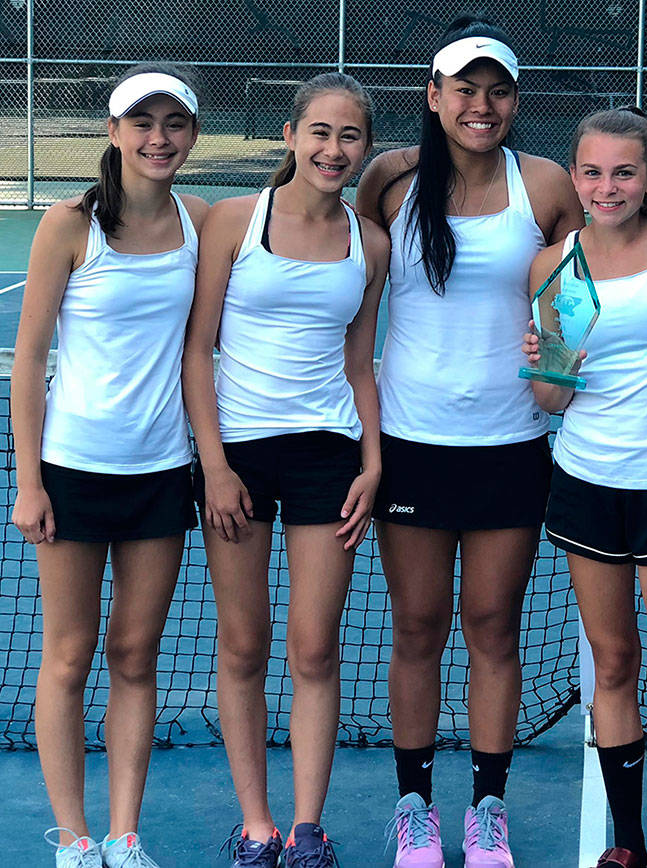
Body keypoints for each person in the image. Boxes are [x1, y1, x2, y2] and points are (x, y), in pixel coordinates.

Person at [352, 15, 585, 868]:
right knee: (417, 627)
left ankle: (488, 812)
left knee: (493, 627)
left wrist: (558, 371)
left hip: (512, 445)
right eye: (465, 89)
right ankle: (414, 810)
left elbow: (573, 298)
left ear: (514, 101)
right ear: (434, 96)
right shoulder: (389, 179)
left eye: (497, 91)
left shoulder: (549, 185)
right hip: (411, 444)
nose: (481, 105)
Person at [181, 72, 387, 868]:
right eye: (321, 133)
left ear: (364, 147)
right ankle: (257, 827)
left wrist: (372, 465)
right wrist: (215, 464)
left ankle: (307, 829)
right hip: (237, 460)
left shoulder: (370, 244)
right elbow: (198, 351)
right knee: (242, 645)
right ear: (292, 135)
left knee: (315, 649)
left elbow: (360, 365)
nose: (334, 150)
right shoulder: (234, 222)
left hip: (328, 460)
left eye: (351, 137)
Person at [10, 63, 204, 868]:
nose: (158, 138)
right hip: (74, 471)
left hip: (162, 473)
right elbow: (26, 363)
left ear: (191, 134)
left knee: (135, 656)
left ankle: (124, 837)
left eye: (175, 124)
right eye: (142, 122)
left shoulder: (200, 220)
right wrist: (28, 483)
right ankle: (74, 840)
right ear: (115, 132)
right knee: (66, 656)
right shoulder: (69, 224)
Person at [521, 106, 647, 868]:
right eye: (594, 172)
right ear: (576, 178)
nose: (608, 187)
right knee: (612, 668)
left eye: (625, 172)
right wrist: (549, 367)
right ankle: (631, 844)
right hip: (588, 485)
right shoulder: (555, 268)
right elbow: (551, 401)